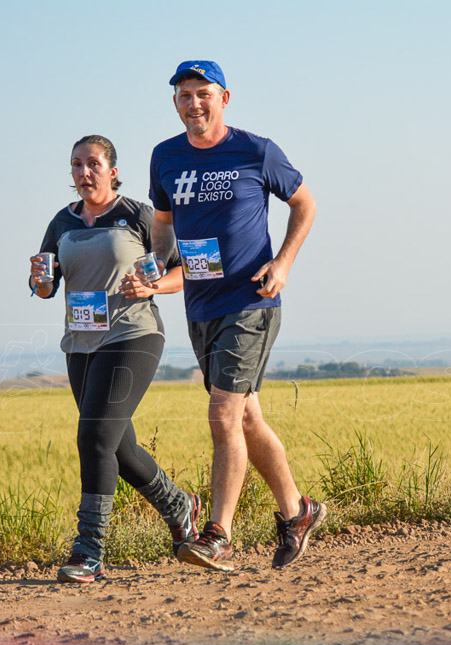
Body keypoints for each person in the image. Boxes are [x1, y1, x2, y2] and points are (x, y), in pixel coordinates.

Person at [131, 60, 324, 571]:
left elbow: (304, 204)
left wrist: (283, 263)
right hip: (201, 304)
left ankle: (218, 533)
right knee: (247, 416)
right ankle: (298, 511)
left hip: (251, 300)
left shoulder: (256, 150)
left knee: (222, 414)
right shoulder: (165, 157)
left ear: (224, 98)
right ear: (175, 103)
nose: (193, 103)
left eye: (203, 94)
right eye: (184, 95)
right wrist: (157, 267)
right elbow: (164, 224)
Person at [30, 134, 200, 583]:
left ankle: (89, 550)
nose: (84, 172)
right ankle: (179, 506)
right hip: (81, 343)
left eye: (93, 164)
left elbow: (182, 269)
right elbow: (47, 286)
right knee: (118, 448)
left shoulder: (139, 215)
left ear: (112, 170)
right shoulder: (61, 222)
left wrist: (151, 286)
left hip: (132, 334)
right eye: (76, 165)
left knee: (94, 440)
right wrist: (40, 281)